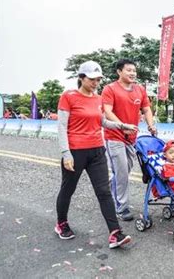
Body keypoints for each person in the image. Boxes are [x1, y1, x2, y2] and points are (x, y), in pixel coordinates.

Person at [55, 61, 134, 248]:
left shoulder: (97, 99)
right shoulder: (68, 96)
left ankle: (115, 233)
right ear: (81, 78)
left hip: (97, 150)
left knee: (104, 192)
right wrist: (66, 153)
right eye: (92, 79)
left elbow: (103, 122)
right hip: (75, 152)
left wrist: (122, 126)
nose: (95, 83)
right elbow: (61, 127)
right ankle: (61, 224)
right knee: (68, 189)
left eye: (98, 80)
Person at [102, 59, 157, 221]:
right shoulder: (110, 89)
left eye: (134, 70)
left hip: (132, 138)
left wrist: (151, 125)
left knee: (124, 171)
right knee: (122, 173)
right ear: (119, 72)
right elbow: (107, 111)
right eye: (129, 70)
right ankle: (121, 207)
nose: (133, 73)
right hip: (114, 137)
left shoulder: (140, 89)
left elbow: (146, 109)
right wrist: (121, 125)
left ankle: (109, 195)